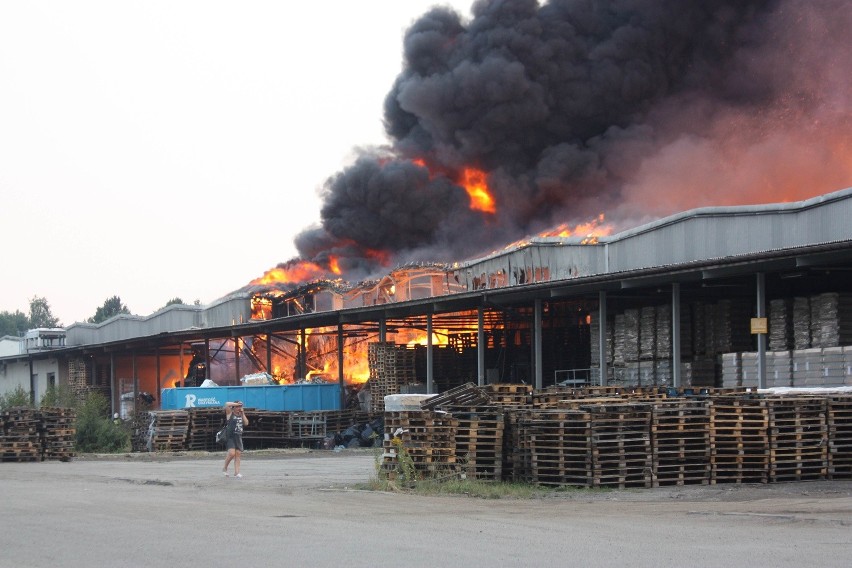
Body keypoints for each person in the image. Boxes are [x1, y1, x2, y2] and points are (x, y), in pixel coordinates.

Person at [222, 401, 249, 478]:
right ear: (233, 407)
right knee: (231, 453)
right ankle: (225, 467)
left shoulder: (241, 415)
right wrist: (237, 404)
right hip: (230, 436)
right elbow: (227, 404)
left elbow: (246, 423)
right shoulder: (230, 413)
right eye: (237, 407)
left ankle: (237, 472)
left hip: (238, 436)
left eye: (240, 407)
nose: (239, 408)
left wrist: (243, 413)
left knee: (238, 454)